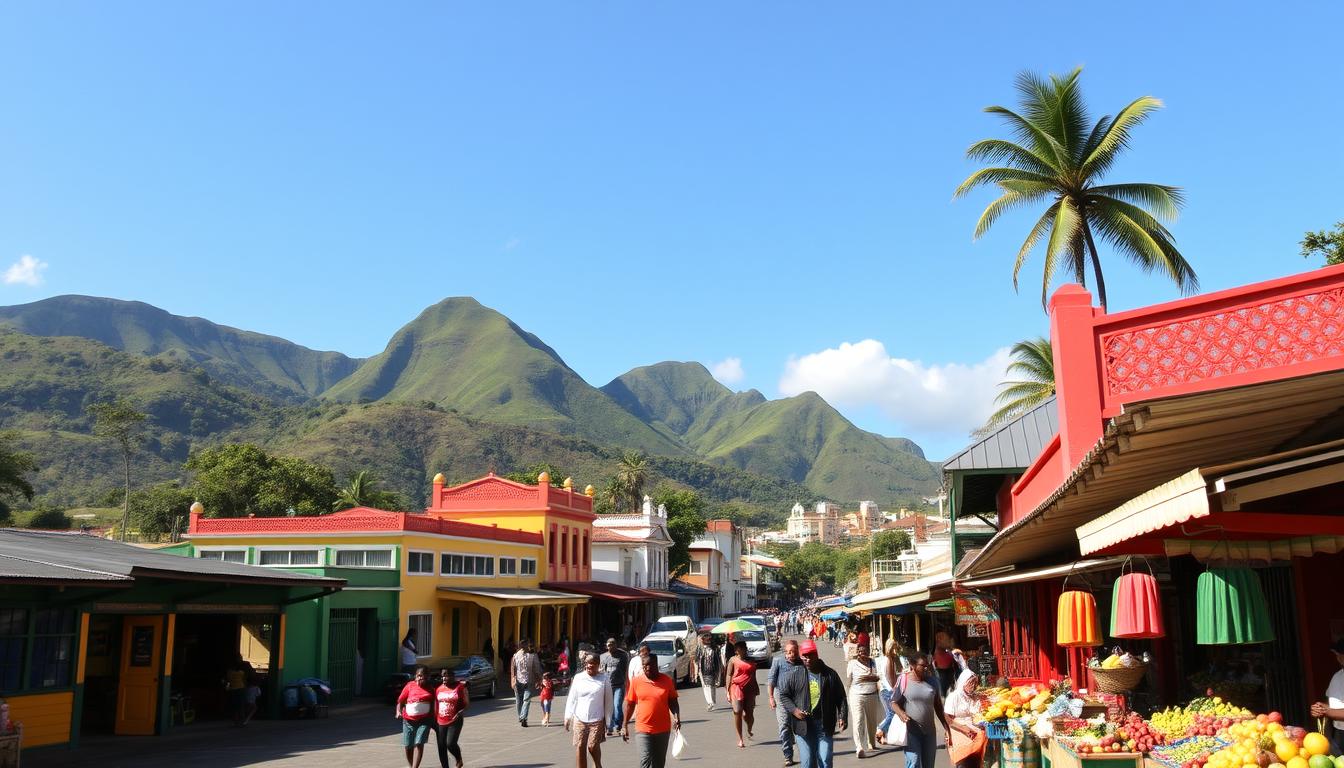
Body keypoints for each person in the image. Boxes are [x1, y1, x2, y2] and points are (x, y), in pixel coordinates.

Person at [777, 639, 847, 768]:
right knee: (808, 762)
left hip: (824, 724)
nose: (807, 659)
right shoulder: (795, 673)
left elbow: (841, 696)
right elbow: (784, 695)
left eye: (810, 655)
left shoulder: (830, 674)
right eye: (805, 655)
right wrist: (795, 710)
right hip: (803, 725)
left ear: (816, 654)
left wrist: (842, 716)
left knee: (825, 759)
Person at [890, 653, 954, 768]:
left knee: (928, 765)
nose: (926, 668)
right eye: (922, 666)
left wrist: (947, 727)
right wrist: (901, 713)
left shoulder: (932, 681)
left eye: (927, 665)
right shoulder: (903, 680)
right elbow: (893, 702)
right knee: (913, 762)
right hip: (911, 732)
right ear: (912, 665)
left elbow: (938, 706)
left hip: (929, 732)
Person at [622, 653, 682, 768]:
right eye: (644, 666)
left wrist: (676, 717)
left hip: (662, 729)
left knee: (659, 763)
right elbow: (630, 704)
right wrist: (624, 725)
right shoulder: (636, 682)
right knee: (645, 760)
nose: (647, 668)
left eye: (650, 665)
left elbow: (673, 702)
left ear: (657, 664)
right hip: (643, 728)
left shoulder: (667, 680)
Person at [566, 652, 614, 768]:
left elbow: (608, 702)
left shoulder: (604, 678)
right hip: (579, 718)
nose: (589, 666)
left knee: (592, 746)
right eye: (587, 663)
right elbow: (572, 698)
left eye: (592, 663)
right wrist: (568, 716)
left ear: (598, 665)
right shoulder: (578, 678)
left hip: (597, 719)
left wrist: (608, 721)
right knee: (580, 745)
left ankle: (598, 765)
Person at [768, 639, 803, 767]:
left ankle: (803, 752)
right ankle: (788, 755)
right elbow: (771, 679)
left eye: (793, 652)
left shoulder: (802, 662)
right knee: (784, 726)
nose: (790, 655)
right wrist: (771, 697)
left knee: (799, 726)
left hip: (798, 698)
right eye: (788, 652)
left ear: (797, 652)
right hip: (781, 698)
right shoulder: (778, 661)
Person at [944, 668, 988, 768]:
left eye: (975, 683)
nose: (973, 686)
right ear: (964, 682)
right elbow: (948, 719)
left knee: (977, 759)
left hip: (976, 728)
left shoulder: (975, 697)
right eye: (970, 683)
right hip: (958, 728)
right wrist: (964, 729)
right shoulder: (954, 696)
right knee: (964, 760)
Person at [847, 640, 883, 758]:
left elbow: (878, 677)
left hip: (872, 695)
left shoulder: (873, 663)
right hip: (856, 696)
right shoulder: (852, 664)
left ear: (868, 651)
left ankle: (871, 742)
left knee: (872, 722)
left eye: (865, 651)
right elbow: (850, 681)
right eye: (860, 651)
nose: (862, 653)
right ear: (857, 652)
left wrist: (870, 679)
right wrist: (848, 695)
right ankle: (859, 747)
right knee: (858, 721)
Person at [396, 665, 435, 768]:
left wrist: (433, 722)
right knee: (408, 745)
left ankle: (415, 767)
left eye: (423, 676)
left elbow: (433, 706)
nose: (420, 678)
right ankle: (410, 765)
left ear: (428, 677)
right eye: (418, 676)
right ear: (415, 676)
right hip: (408, 721)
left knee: (419, 743)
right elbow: (400, 701)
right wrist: (398, 711)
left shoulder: (431, 689)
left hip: (424, 721)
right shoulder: (410, 685)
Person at [1310, 638, 1344, 755]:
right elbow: (1331, 704)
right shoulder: (1337, 676)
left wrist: (1327, 711)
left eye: (1340, 654)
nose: (1338, 657)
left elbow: (1330, 711)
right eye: (1337, 654)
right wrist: (1320, 708)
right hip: (1338, 733)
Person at [726, 639, 759, 748]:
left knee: (749, 714)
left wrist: (756, 688)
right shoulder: (732, 660)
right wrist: (727, 690)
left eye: (743, 649)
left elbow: (754, 675)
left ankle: (749, 728)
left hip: (750, 689)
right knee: (737, 711)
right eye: (739, 649)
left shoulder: (752, 660)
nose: (741, 651)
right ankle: (740, 738)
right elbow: (729, 676)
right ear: (736, 651)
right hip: (736, 688)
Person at [434, 667, 470, 768]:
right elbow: (436, 705)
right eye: (443, 676)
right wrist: (435, 719)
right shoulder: (439, 689)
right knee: (442, 745)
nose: (444, 678)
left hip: (455, 720)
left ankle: (458, 758)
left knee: (450, 744)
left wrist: (460, 713)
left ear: (453, 676)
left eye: (447, 675)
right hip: (441, 721)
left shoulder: (460, 687)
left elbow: (467, 704)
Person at [874, 638, 905, 745]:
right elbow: (890, 676)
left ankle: (882, 734)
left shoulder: (886, 659)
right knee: (892, 713)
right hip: (888, 690)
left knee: (889, 713)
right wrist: (895, 689)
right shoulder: (889, 660)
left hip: (884, 689)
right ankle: (880, 730)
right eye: (895, 648)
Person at [600, 638, 630, 736]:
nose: (610, 647)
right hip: (608, 685)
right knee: (609, 707)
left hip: (619, 685)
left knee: (617, 705)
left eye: (612, 645)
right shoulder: (603, 657)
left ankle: (618, 726)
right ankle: (609, 727)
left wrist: (626, 682)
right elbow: (601, 670)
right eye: (608, 645)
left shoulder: (622, 655)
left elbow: (626, 669)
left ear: (616, 645)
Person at [511, 639, 544, 727]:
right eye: (528, 645)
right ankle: (522, 717)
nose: (529, 646)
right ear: (525, 646)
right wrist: (539, 679)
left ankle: (522, 717)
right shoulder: (532, 656)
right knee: (524, 700)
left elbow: (512, 668)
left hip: (523, 681)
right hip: (524, 681)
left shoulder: (516, 655)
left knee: (522, 700)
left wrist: (513, 679)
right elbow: (537, 669)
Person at [694, 632, 722, 711]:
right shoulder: (714, 648)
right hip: (711, 670)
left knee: (708, 687)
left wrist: (696, 673)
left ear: (702, 640)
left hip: (705, 670)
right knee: (710, 686)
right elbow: (719, 661)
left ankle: (711, 702)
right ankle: (711, 702)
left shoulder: (701, 648)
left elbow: (696, 661)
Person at [224, 654, 253, 726]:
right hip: (240, 688)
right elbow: (249, 675)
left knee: (236, 705)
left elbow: (227, 679)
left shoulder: (230, 670)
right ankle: (241, 721)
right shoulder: (244, 666)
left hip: (234, 688)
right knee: (240, 705)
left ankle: (237, 721)